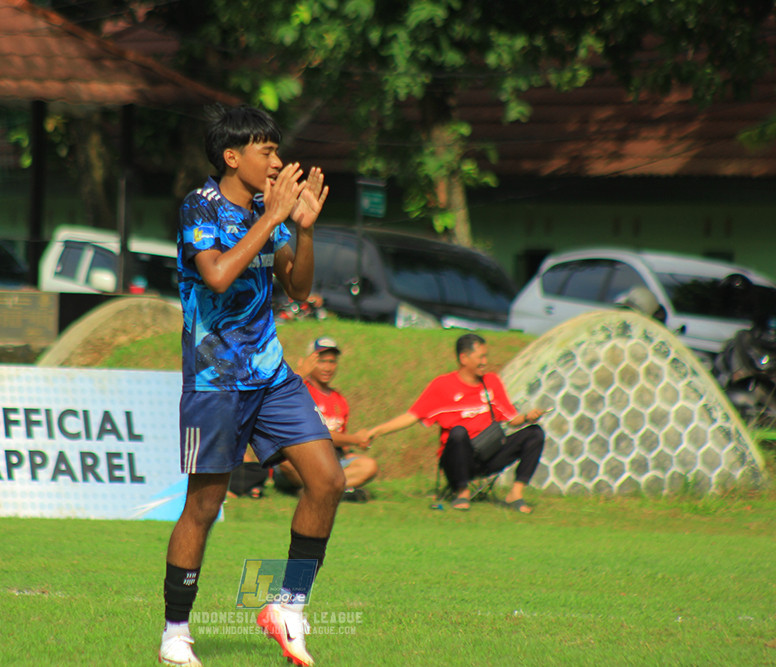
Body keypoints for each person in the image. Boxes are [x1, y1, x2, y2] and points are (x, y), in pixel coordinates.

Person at [159, 105, 342, 667]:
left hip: (273, 377)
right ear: (232, 157)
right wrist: (273, 217)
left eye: (276, 150)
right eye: (266, 151)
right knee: (204, 506)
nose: (277, 161)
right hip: (216, 383)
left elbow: (298, 289)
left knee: (328, 480)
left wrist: (301, 231)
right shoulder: (200, 205)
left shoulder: (271, 209)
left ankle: (287, 607)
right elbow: (215, 273)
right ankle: (175, 633)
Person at [370, 333, 546, 513]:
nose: (485, 362)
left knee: (534, 433)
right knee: (458, 432)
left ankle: (515, 494)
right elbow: (412, 416)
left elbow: (511, 419)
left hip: (487, 453)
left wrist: (527, 418)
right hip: (456, 459)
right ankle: (462, 491)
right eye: (480, 357)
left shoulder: (491, 382)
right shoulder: (442, 385)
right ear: (464, 358)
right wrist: (377, 431)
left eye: (486, 356)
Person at [274, 337, 378, 502]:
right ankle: (331, 490)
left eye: (332, 362)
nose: (328, 368)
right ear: (309, 362)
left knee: (368, 466)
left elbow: (341, 443)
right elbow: (318, 434)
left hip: (330, 462)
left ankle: (316, 490)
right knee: (288, 463)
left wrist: (352, 449)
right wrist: (356, 439)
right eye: (321, 361)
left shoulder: (339, 399)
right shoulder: (299, 390)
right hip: (301, 459)